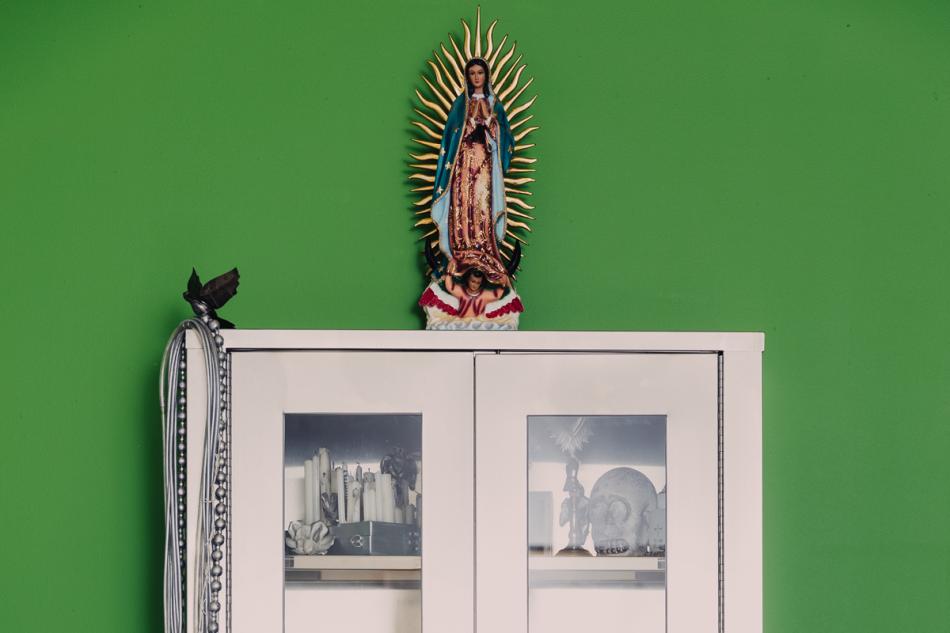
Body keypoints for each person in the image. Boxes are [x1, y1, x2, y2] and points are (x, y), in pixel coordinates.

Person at [430, 58, 515, 288]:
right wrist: (468, 124)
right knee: (462, 203)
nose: (477, 77)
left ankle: (482, 248)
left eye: (480, 73)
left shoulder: (495, 103)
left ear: (487, 75)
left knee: (480, 204)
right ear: (467, 77)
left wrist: (489, 123)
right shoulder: (460, 103)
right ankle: (461, 250)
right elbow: (451, 135)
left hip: (484, 161)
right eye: (472, 73)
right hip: (462, 163)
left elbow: (507, 139)